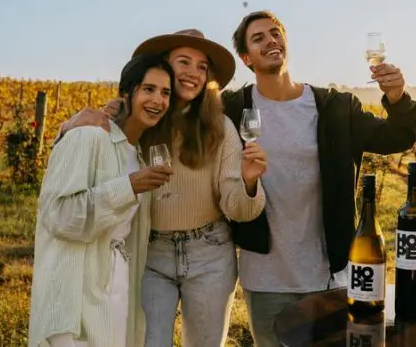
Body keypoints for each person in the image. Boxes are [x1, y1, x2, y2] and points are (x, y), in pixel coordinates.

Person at [57, 29, 268, 347]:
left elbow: (237, 207)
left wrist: (250, 182)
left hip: (210, 253)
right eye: (184, 62)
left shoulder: (220, 128)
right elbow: (90, 152)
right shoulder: (138, 121)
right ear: (164, 67)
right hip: (149, 252)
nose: (193, 73)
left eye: (201, 67)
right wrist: (67, 128)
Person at [224, 10, 416, 346]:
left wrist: (397, 97)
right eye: (258, 38)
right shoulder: (232, 107)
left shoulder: (334, 107)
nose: (271, 40)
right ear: (246, 58)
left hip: (330, 274)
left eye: (275, 33)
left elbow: (397, 137)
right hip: (266, 277)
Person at [28, 54, 175, 347]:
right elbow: (58, 215)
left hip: (116, 287)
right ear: (126, 92)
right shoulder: (88, 136)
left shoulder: (138, 153)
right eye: (149, 89)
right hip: (74, 294)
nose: (158, 100)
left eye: (165, 93)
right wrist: (128, 187)